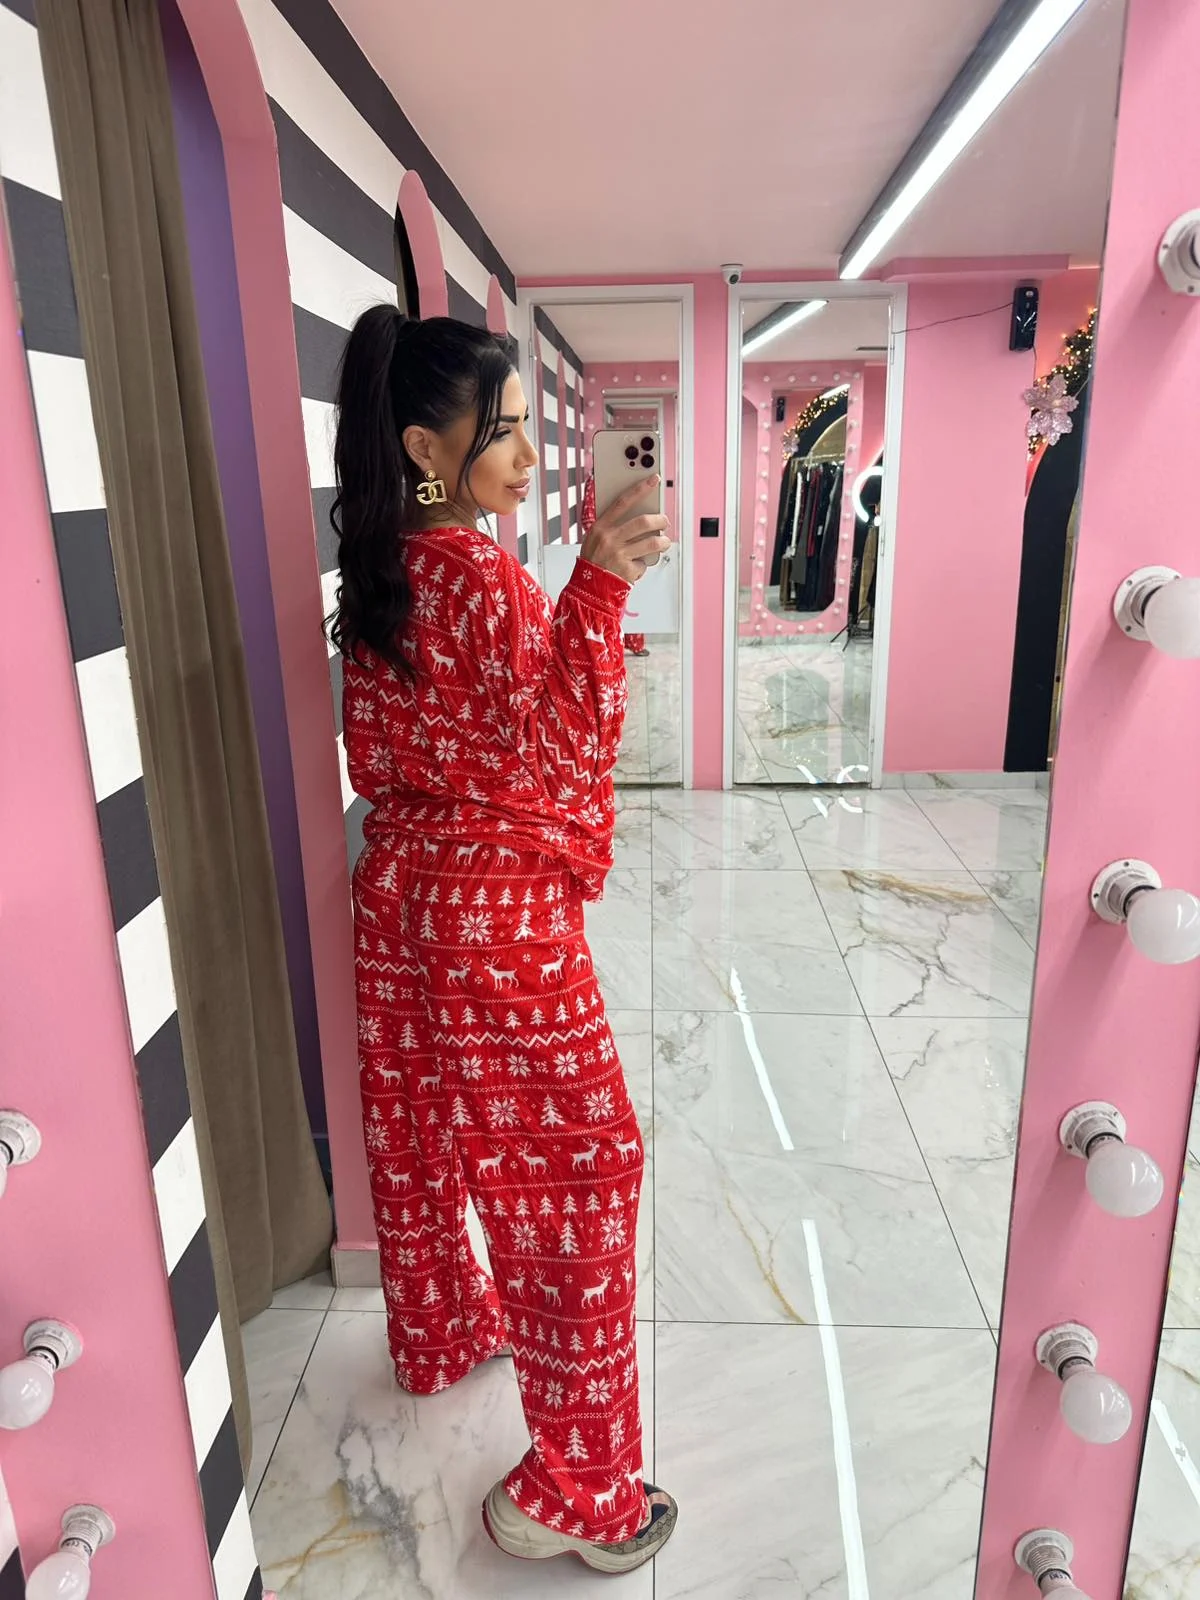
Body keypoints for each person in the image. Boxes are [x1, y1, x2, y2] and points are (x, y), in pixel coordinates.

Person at [329, 309, 678, 1576]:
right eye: (505, 431)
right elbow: (565, 755)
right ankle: (580, 1490)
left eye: (529, 426)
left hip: (401, 896)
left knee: (424, 1129)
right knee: (583, 1168)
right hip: (494, 914)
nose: (530, 455)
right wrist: (602, 583)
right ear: (428, 446)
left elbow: (392, 754)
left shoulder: (380, 568)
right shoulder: (478, 574)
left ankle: (438, 1334)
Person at [582, 473, 648, 655]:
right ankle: (611, 647)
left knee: (628, 600)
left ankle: (630, 644)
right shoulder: (595, 480)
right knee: (611, 603)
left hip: (632, 544)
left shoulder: (637, 480)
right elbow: (588, 519)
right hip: (609, 552)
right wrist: (602, 545)